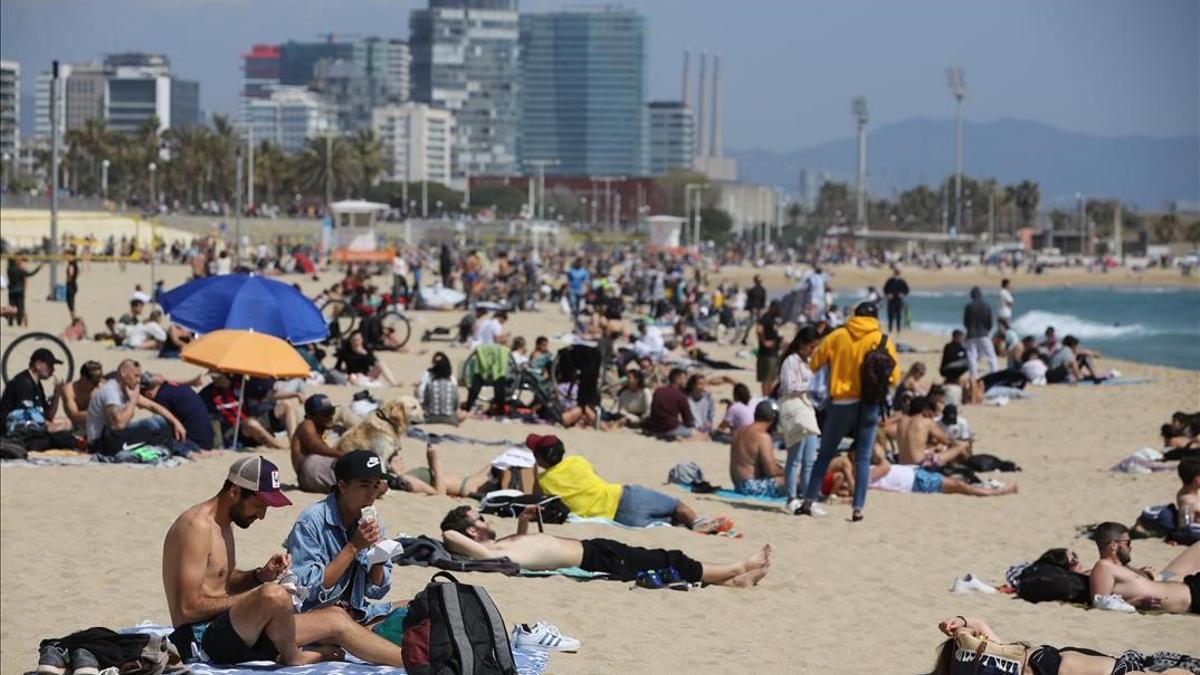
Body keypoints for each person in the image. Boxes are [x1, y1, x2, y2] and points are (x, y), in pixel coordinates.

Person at [163, 456, 398, 666]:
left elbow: (220, 583)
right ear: (235, 490)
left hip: (238, 627)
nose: (262, 515)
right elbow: (188, 609)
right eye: (259, 505)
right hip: (201, 637)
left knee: (336, 618)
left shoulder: (223, 524)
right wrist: (259, 597)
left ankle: (416, 665)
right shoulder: (196, 527)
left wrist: (258, 575)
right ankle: (294, 657)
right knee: (274, 596)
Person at [441, 505, 769, 587]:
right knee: (671, 560)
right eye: (479, 519)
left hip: (595, 549)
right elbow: (449, 537)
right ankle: (736, 568)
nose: (485, 519)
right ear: (471, 531)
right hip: (598, 559)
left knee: (662, 558)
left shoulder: (499, 544)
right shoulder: (492, 553)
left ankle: (734, 581)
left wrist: (525, 522)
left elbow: (526, 545)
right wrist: (454, 533)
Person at [283, 451, 407, 661]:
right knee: (340, 619)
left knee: (417, 604)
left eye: (376, 486)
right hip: (317, 615)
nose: (371, 494)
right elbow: (308, 590)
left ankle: (364, 638)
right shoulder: (312, 521)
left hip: (358, 612)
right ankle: (401, 659)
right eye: (364, 485)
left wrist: (379, 554)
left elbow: (376, 591)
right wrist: (352, 547)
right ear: (342, 485)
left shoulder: (371, 519)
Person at [795, 302, 899, 521]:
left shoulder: (838, 335)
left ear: (855, 315)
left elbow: (814, 363)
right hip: (869, 404)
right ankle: (858, 508)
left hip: (842, 402)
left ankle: (808, 501)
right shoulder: (882, 340)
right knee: (862, 459)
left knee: (824, 455)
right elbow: (894, 377)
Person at [527, 434, 731, 533]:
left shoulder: (544, 482)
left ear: (539, 458)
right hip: (624, 497)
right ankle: (696, 523)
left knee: (670, 520)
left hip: (620, 519)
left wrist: (536, 471)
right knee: (677, 506)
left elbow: (534, 498)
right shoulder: (578, 461)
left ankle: (691, 525)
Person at [930, 615, 1200, 675]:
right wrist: (962, 627)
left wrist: (961, 621)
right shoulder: (998, 661)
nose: (982, 637)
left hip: (1120, 663)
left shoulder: (1008, 656)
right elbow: (974, 632)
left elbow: (977, 625)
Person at [1088, 523, 1200, 614]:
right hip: (1193, 598)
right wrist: (1134, 603)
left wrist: (1143, 573)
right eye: (1127, 543)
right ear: (1114, 545)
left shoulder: (1119, 568)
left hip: (1192, 587)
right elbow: (1101, 603)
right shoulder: (1103, 566)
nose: (1130, 547)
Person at [86, 359, 187, 455]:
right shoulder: (110, 391)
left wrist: (176, 423)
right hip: (99, 444)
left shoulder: (126, 389)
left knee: (162, 421)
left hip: (113, 437)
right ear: (123, 372)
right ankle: (179, 450)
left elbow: (153, 406)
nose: (138, 381)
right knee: (152, 424)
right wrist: (133, 401)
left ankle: (177, 449)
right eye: (136, 376)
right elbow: (119, 424)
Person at [823, 451, 1016, 499]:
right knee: (960, 486)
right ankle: (996, 492)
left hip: (915, 474)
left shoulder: (862, 477)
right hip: (917, 481)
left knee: (960, 481)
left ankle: (991, 489)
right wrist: (848, 470)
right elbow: (885, 464)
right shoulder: (863, 478)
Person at [777, 325, 822, 513]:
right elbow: (788, 386)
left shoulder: (809, 362)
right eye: (811, 346)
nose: (813, 350)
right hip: (794, 410)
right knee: (794, 458)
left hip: (808, 409)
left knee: (810, 459)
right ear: (802, 344)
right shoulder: (790, 361)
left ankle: (808, 499)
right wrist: (808, 387)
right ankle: (791, 497)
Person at [198, 372, 287, 450]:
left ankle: (293, 440)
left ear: (226, 375)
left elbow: (267, 395)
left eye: (216, 376)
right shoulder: (208, 393)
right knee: (251, 423)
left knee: (285, 405)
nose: (212, 378)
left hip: (250, 422)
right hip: (233, 431)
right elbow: (196, 406)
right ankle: (278, 445)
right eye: (211, 376)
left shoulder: (241, 385)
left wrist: (295, 394)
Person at [0, 348, 70, 433]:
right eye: (50, 365)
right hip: (14, 431)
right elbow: (25, 417)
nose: (53, 369)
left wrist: (57, 393)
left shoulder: (36, 384)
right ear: (38, 364)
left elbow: (48, 416)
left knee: (67, 423)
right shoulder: (24, 383)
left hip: (29, 427)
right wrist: (49, 427)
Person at [141, 373, 212, 453]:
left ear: (148, 394)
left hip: (196, 444)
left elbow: (166, 426)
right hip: (208, 440)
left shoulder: (161, 397)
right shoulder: (174, 387)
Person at [730, 400, 786, 498]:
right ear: (774, 417)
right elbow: (771, 471)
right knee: (795, 480)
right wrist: (787, 471)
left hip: (738, 486)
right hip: (751, 488)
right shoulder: (763, 436)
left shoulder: (739, 431)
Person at [896, 396, 972, 467]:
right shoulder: (926, 421)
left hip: (902, 464)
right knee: (960, 447)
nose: (932, 415)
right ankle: (971, 463)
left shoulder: (902, 421)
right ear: (925, 409)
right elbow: (947, 441)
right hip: (920, 464)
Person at [291, 394, 345, 493]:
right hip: (308, 472)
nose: (330, 417)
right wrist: (346, 455)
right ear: (312, 415)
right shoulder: (307, 424)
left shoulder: (318, 431)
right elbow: (317, 447)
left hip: (311, 474)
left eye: (332, 411)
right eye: (326, 413)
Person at [644, 368, 705, 441]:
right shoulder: (681, 396)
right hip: (670, 429)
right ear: (678, 379)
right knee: (702, 435)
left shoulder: (658, 391)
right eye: (684, 378)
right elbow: (688, 420)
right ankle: (684, 440)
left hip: (655, 427)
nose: (686, 381)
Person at [421, 354, 468, 425]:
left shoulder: (430, 385)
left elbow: (425, 404)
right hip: (450, 419)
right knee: (464, 413)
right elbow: (456, 407)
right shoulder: (453, 386)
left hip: (432, 419)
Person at [60, 360, 104, 433]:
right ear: (84, 378)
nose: (97, 385)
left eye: (99, 381)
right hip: (77, 427)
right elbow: (74, 417)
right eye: (95, 382)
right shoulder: (69, 390)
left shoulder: (101, 388)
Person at [963, 286, 997, 379]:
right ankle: (994, 372)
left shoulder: (969, 307)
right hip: (984, 333)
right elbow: (989, 321)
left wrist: (969, 328)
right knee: (991, 355)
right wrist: (987, 330)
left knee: (972, 355)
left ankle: (974, 375)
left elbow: (966, 322)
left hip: (971, 333)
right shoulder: (986, 306)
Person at [755, 300, 783, 396]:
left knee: (770, 379)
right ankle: (767, 399)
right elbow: (759, 329)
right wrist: (764, 342)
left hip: (772, 353)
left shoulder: (773, 319)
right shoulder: (766, 317)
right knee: (767, 380)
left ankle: (768, 398)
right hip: (767, 354)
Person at [5, 256, 42, 326]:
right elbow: (30, 274)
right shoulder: (19, 270)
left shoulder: (9, 269)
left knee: (11, 307)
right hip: (19, 291)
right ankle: (19, 322)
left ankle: (10, 322)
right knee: (20, 308)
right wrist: (38, 268)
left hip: (11, 291)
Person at [882, 267, 909, 333]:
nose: (896, 274)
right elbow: (885, 289)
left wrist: (903, 294)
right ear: (894, 273)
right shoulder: (890, 281)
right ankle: (890, 329)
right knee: (890, 315)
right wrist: (888, 294)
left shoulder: (902, 281)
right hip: (891, 300)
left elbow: (907, 290)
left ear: (899, 273)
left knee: (898, 315)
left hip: (899, 300)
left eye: (898, 273)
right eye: (895, 272)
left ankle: (898, 329)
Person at [741, 275, 766, 345]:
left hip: (757, 309)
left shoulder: (759, 290)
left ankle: (748, 338)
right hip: (756, 309)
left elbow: (762, 301)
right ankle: (746, 338)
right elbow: (751, 301)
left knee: (754, 324)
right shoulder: (757, 290)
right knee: (752, 324)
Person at [65, 256, 80, 321]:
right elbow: (78, 274)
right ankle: (74, 317)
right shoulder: (76, 266)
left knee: (70, 303)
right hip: (74, 284)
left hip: (71, 285)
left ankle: (73, 318)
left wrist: (68, 279)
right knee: (71, 303)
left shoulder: (71, 266)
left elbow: (70, 276)